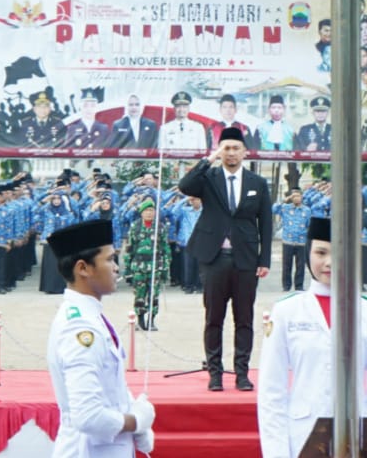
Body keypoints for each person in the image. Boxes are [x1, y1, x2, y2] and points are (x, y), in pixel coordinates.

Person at [257, 217, 367, 458]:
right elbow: (271, 392)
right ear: (308, 252)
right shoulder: (287, 311)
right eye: (320, 252)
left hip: (357, 433)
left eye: (340, 252)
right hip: (301, 433)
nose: (329, 262)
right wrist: (277, 452)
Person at [45, 219, 156, 457]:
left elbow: (111, 383)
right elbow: (88, 416)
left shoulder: (91, 315)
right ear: (83, 268)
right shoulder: (80, 328)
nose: (116, 267)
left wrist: (134, 416)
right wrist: (135, 421)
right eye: (109, 259)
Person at [178, 126, 273, 392]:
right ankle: (215, 373)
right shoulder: (209, 177)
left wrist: (264, 259)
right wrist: (209, 159)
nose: (231, 153)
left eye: (235, 148)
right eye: (226, 148)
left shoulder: (258, 183)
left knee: (244, 319)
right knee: (214, 318)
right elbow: (185, 186)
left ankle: (242, 373)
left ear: (245, 152)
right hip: (214, 257)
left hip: (245, 259)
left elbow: (265, 223)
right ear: (220, 151)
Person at [123, 198, 170, 330]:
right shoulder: (135, 227)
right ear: (142, 212)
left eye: (152, 210)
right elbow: (130, 248)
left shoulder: (159, 227)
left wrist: (166, 267)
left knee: (153, 295)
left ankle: (151, 321)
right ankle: (140, 320)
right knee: (139, 295)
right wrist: (127, 269)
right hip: (139, 267)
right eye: (147, 210)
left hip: (155, 267)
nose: (149, 213)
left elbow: (165, 248)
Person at [273, 189, 312, 293]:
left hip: (301, 241)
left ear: (302, 197)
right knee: (287, 265)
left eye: (298, 196)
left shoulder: (307, 210)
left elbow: (309, 224)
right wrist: (285, 200)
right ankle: (286, 286)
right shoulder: (285, 208)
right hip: (288, 241)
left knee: (300, 266)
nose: (296, 198)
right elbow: (273, 209)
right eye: (294, 196)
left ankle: (299, 286)